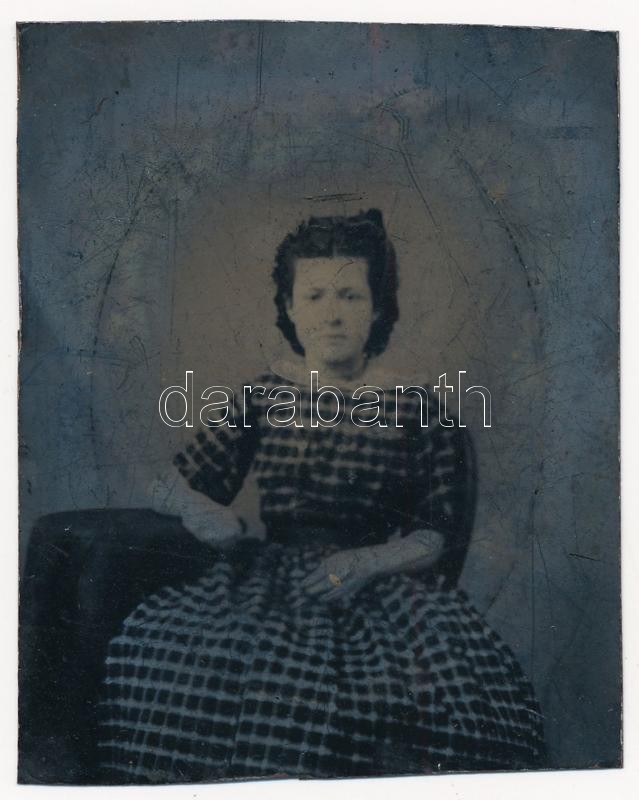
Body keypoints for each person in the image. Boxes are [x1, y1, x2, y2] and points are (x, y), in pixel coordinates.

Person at [98, 209, 546, 782]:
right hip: (268, 586)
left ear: (377, 307)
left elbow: (435, 535)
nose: (331, 314)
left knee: (428, 704)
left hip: (380, 591)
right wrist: (198, 508)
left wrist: (365, 562)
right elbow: (170, 480)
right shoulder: (265, 395)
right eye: (313, 296)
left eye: (350, 296)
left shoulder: (417, 407)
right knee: (161, 656)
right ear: (289, 307)